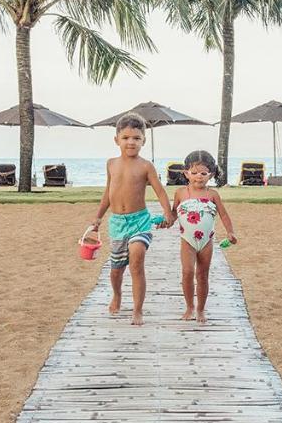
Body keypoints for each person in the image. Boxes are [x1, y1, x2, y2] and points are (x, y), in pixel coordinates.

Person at [91, 113, 175, 325]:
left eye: (136, 138)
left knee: (137, 260)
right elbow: (107, 194)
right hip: (118, 223)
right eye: (126, 137)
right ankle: (117, 295)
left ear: (143, 141)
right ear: (116, 139)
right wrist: (98, 218)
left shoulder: (146, 166)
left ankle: (138, 309)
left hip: (140, 221)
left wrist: (168, 213)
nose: (131, 142)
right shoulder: (111, 164)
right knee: (116, 270)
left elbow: (160, 192)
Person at [170, 150, 237, 324]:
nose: (198, 177)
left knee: (202, 275)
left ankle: (200, 309)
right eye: (194, 173)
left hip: (207, 241)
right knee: (187, 272)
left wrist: (230, 232)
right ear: (186, 173)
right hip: (187, 240)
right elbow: (173, 214)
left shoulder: (212, 194)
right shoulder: (180, 193)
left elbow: (223, 215)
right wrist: (166, 221)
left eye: (203, 173)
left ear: (211, 175)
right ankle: (189, 306)